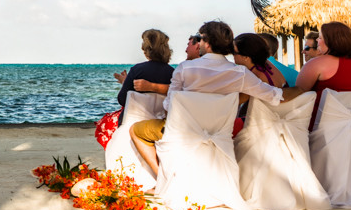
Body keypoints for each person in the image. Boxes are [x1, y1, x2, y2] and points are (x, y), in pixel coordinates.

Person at [130, 21, 304, 176]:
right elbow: (276, 95)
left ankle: (161, 176)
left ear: (207, 43)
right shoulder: (240, 73)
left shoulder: (184, 68)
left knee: (135, 130)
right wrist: (303, 89)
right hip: (220, 134)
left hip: (185, 132)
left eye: (201, 39)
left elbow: (169, 105)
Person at [294, 21, 351, 130]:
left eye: (320, 38)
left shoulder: (317, 63)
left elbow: (298, 94)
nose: (318, 41)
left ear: (331, 41)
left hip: (322, 131)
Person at [114, 29, 174, 114]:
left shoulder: (136, 70)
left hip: (136, 120)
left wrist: (124, 81)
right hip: (163, 119)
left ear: (146, 51)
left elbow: (122, 100)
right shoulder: (173, 73)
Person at [132, 33, 201, 95]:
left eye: (188, 45)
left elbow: (179, 91)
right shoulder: (208, 71)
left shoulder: (186, 69)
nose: (186, 50)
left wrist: (151, 86)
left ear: (197, 46)